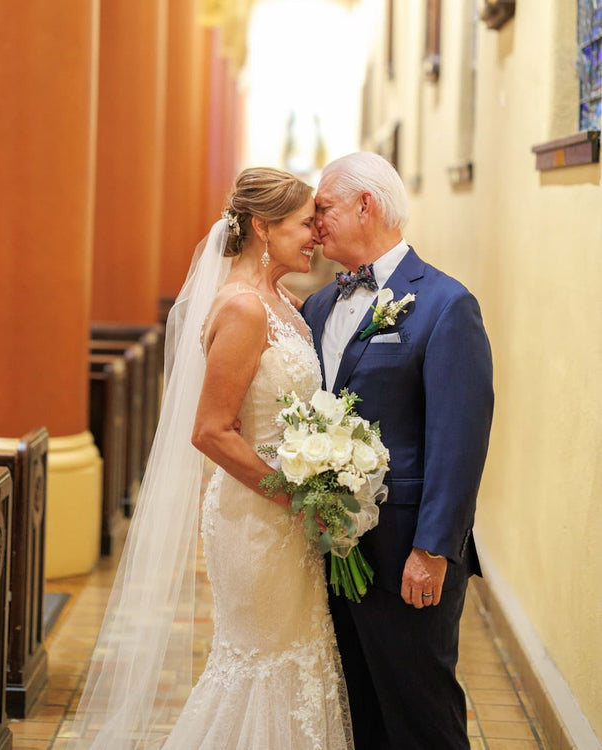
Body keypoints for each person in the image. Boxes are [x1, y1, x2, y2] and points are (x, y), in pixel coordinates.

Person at [70, 167, 354, 749]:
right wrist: (299, 497)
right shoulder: (244, 309)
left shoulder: (287, 302)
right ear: (262, 226)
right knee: (263, 665)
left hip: (291, 520)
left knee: (300, 660)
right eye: (305, 224)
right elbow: (210, 431)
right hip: (256, 519)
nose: (317, 237)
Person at [302, 152, 494, 750]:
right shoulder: (317, 306)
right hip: (331, 549)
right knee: (357, 707)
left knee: (421, 715)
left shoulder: (444, 304)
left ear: (367, 205)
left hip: (407, 553)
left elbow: (459, 441)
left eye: (323, 208)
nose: (314, 224)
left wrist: (433, 549)